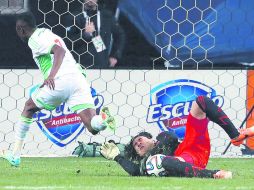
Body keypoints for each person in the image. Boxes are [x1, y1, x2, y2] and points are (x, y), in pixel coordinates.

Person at [1, 11, 116, 167]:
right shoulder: (47, 32)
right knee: (93, 127)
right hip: (78, 78)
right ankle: (103, 120)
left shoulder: (34, 40)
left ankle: (15, 155)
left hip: (60, 81)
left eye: (17, 29)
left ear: (21, 29)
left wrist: (51, 76)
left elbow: (59, 51)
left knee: (28, 107)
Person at [100, 95, 254, 179]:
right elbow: (135, 171)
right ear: (139, 155)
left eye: (139, 139)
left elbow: (171, 138)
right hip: (190, 160)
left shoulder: (163, 137)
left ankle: (235, 136)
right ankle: (214, 174)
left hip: (192, 144)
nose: (138, 143)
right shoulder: (147, 163)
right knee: (159, 162)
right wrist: (117, 157)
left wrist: (148, 159)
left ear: (151, 139)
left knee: (201, 102)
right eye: (135, 146)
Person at [64, 0, 125, 68]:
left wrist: (115, 56)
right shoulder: (73, 16)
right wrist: (85, 35)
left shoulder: (106, 16)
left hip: (101, 64)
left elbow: (120, 35)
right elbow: (67, 42)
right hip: (80, 65)